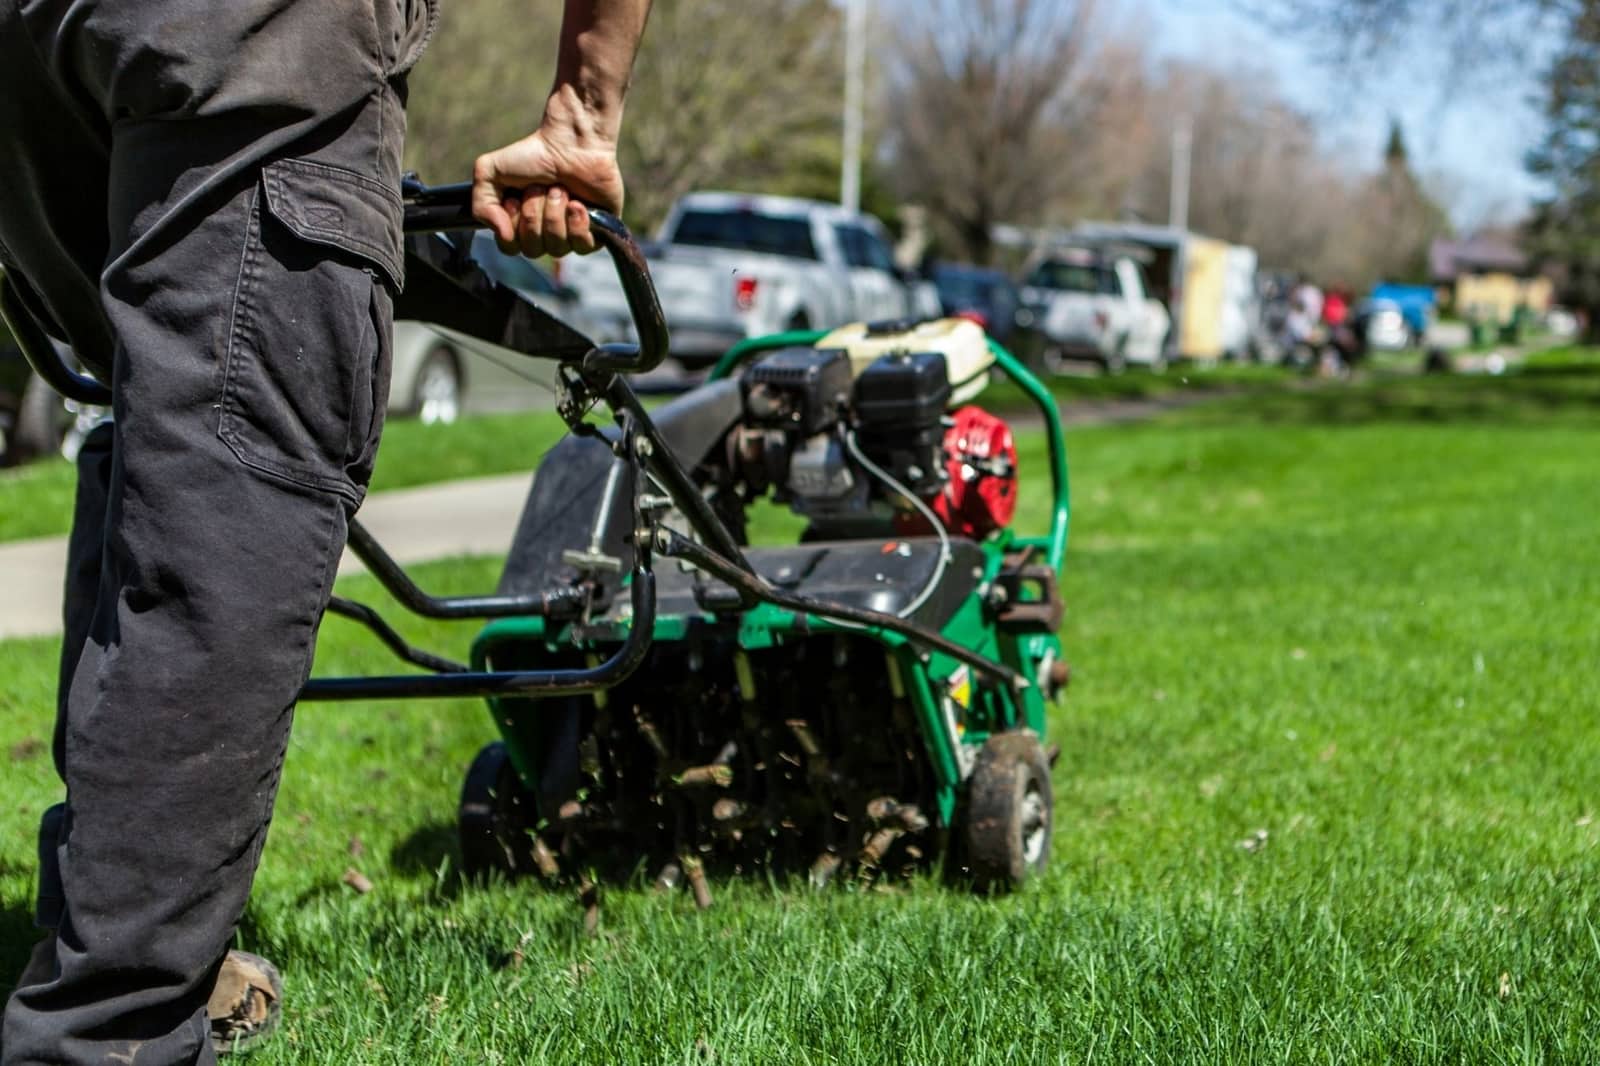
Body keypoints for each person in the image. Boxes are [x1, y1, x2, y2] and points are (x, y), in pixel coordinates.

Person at [0, 0, 652, 1062]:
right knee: (225, 478)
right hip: (240, 31)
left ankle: (110, 930)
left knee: (160, 442)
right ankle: (103, 1032)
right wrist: (582, 112)